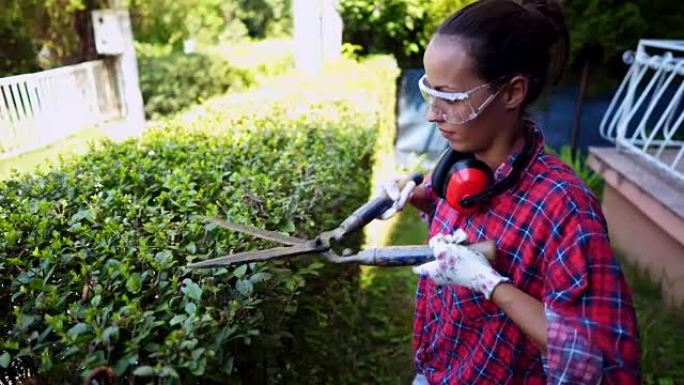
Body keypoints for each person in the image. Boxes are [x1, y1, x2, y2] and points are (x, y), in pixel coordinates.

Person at [377, 0, 641, 383]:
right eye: (430, 93)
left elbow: (594, 361)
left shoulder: (565, 208)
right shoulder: (460, 169)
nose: (432, 114)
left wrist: (492, 285)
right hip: (439, 372)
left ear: (513, 92)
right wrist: (422, 198)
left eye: (450, 98)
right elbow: (475, 224)